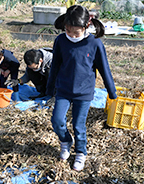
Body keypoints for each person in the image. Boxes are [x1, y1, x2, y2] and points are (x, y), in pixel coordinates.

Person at [46, 5, 117, 171]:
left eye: (75, 32)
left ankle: (80, 153)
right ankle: (65, 142)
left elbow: (104, 68)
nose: (71, 34)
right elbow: (55, 66)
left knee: (79, 126)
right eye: (68, 30)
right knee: (57, 121)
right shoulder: (61, 41)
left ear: (86, 27)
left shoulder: (94, 44)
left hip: (84, 92)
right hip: (63, 89)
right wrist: (50, 89)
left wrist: (111, 91)